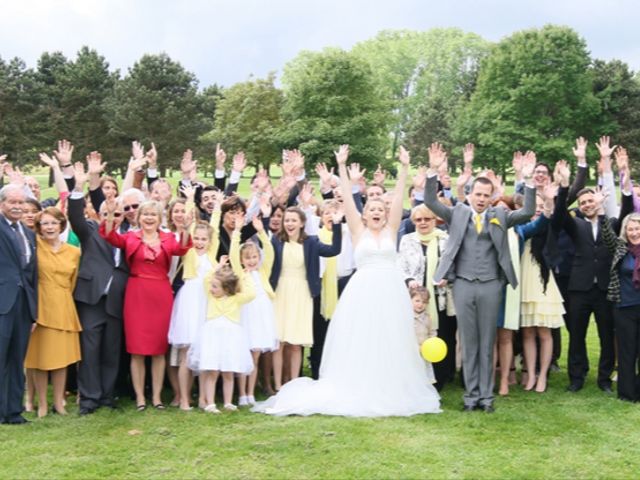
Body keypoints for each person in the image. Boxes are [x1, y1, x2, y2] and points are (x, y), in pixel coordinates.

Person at [253, 144, 440, 417]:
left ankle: (389, 385)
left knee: (390, 336)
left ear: (386, 214)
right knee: (362, 336)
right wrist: (341, 167)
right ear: (365, 214)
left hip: (389, 290)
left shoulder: (390, 230)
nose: (376, 211)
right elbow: (349, 203)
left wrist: (404, 168)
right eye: (372, 209)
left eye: (380, 209)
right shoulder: (357, 230)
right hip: (362, 291)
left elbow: (399, 196)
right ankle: (358, 383)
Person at [424, 142, 536, 413]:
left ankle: (486, 398)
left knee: (487, 342)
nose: (481, 199)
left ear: (492, 195)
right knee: (469, 342)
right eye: (478, 194)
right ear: (470, 194)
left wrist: (528, 179)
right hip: (462, 284)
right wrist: (434, 170)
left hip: (491, 285)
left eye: (487, 194)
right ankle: (470, 396)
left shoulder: (500, 215)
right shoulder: (457, 212)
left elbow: (528, 212)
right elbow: (429, 201)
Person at [100, 199, 191, 411]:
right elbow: (108, 235)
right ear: (139, 217)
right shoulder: (130, 237)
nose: (149, 218)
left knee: (159, 350)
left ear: (160, 219)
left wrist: (185, 229)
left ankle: (157, 397)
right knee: (137, 349)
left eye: (153, 214)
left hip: (160, 293)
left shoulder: (168, 238)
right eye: (145, 214)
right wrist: (112, 214)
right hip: (137, 293)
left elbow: (183, 248)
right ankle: (140, 397)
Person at [68, 163, 129, 415]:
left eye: (115, 214)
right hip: (92, 299)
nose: (110, 217)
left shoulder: (129, 236)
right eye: (106, 213)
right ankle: (89, 399)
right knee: (90, 350)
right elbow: (73, 216)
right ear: (99, 214)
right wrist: (79, 186)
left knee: (111, 351)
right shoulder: (89, 230)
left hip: (117, 300)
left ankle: (106, 395)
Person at [269, 206, 342, 390]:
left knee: (296, 342)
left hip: (301, 292)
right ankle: (278, 385)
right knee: (279, 341)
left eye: (294, 220)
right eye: (287, 220)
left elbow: (334, 249)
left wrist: (338, 225)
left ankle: (294, 383)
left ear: (302, 223)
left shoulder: (311, 242)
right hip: (281, 291)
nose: (289, 224)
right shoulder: (276, 241)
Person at [189, 227, 256, 413]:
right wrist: (217, 268)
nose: (212, 289)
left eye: (216, 287)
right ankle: (210, 402)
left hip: (230, 337)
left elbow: (251, 293)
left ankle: (228, 401)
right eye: (212, 286)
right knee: (212, 371)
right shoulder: (211, 297)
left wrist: (245, 275)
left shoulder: (236, 299)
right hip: (212, 336)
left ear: (226, 288)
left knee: (228, 371)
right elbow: (206, 279)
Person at [24, 207, 81, 417]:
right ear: (39, 228)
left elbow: (73, 282)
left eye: (53, 223)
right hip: (41, 307)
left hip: (64, 306)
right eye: (45, 223)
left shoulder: (74, 252)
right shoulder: (34, 247)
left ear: (61, 225)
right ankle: (42, 405)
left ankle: (59, 402)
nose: (49, 227)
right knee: (40, 359)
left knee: (61, 359)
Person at [397, 203, 456, 388]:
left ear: (435, 220)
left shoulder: (445, 238)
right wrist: (408, 280)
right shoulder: (407, 239)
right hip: (416, 297)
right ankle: (416, 378)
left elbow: (454, 264)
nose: (423, 223)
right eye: (418, 219)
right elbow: (401, 265)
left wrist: (447, 277)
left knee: (442, 335)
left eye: (427, 219)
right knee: (415, 338)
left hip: (440, 297)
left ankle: (442, 376)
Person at [0, 184, 38, 425]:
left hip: (23, 305)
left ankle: (12, 411)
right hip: (3, 303)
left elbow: (31, 274)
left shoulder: (28, 233)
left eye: (21, 202)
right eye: (12, 201)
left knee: (16, 359)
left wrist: (34, 311)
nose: (17, 206)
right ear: (2, 203)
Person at [236, 216, 279, 406]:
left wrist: (261, 232)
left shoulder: (263, 272)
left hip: (261, 315)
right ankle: (241, 393)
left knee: (255, 354)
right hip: (246, 314)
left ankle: (250, 392)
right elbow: (231, 255)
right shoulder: (240, 274)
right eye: (248, 258)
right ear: (242, 260)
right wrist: (238, 231)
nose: (252, 261)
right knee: (244, 353)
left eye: (254, 257)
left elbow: (269, 251)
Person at [602, 210, 640, 402]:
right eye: (630, 229)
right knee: (627, 351)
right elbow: (607, 235)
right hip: (624, 306)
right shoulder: (620, 248)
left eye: (637, 229)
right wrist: (601, 212)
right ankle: (627, 393)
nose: (634, 233)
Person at [410, 286, 437, 385]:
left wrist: (433, 341)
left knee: (424, 372)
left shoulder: (427, 318)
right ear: (410, 300)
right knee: (413, 371)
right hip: (412, 351)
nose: (420, 304)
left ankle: (425, 388)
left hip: (425, 351)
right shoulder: (408, 317)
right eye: (417, 301)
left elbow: (432, 332)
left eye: (424, 302)